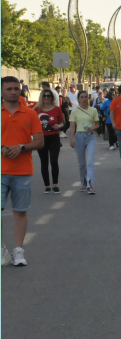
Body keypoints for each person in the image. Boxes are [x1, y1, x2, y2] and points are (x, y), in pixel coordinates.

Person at [1, 76, 44, 266]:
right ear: (2, 91)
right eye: (9, 89)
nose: (13, 91)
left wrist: (21, 147)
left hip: (23, 171)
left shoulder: (30, 113)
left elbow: (40, 141)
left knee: (20, 212)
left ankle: (18, 251)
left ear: (20, 90)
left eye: (16, 88)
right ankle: (2, 249)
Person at [34, 89, 65, 194]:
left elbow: (62, 122)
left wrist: (58, 126)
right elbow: (31, 123)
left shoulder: (56, 109)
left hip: (54, 137)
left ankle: (55, 185)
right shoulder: (36, 109)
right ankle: (47, 185)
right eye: (44, 96)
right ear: (41, 97)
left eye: (49, 96)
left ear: (52, 97)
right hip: (41, 138)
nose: (46, 97)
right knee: (44, 162)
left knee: (54, 161)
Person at [69, 90, 99, 194]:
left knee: (90, 161)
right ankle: (83, 183)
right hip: (79, 136)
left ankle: (90, 185)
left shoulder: (93, 110)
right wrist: (71, 139)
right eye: (82, 97)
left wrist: (92, 128)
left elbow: (97, 124)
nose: (84, 99)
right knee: (82, 163)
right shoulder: (74, 111)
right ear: (78, 99)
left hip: (90, 137)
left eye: (86, 97)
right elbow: (72, 126)